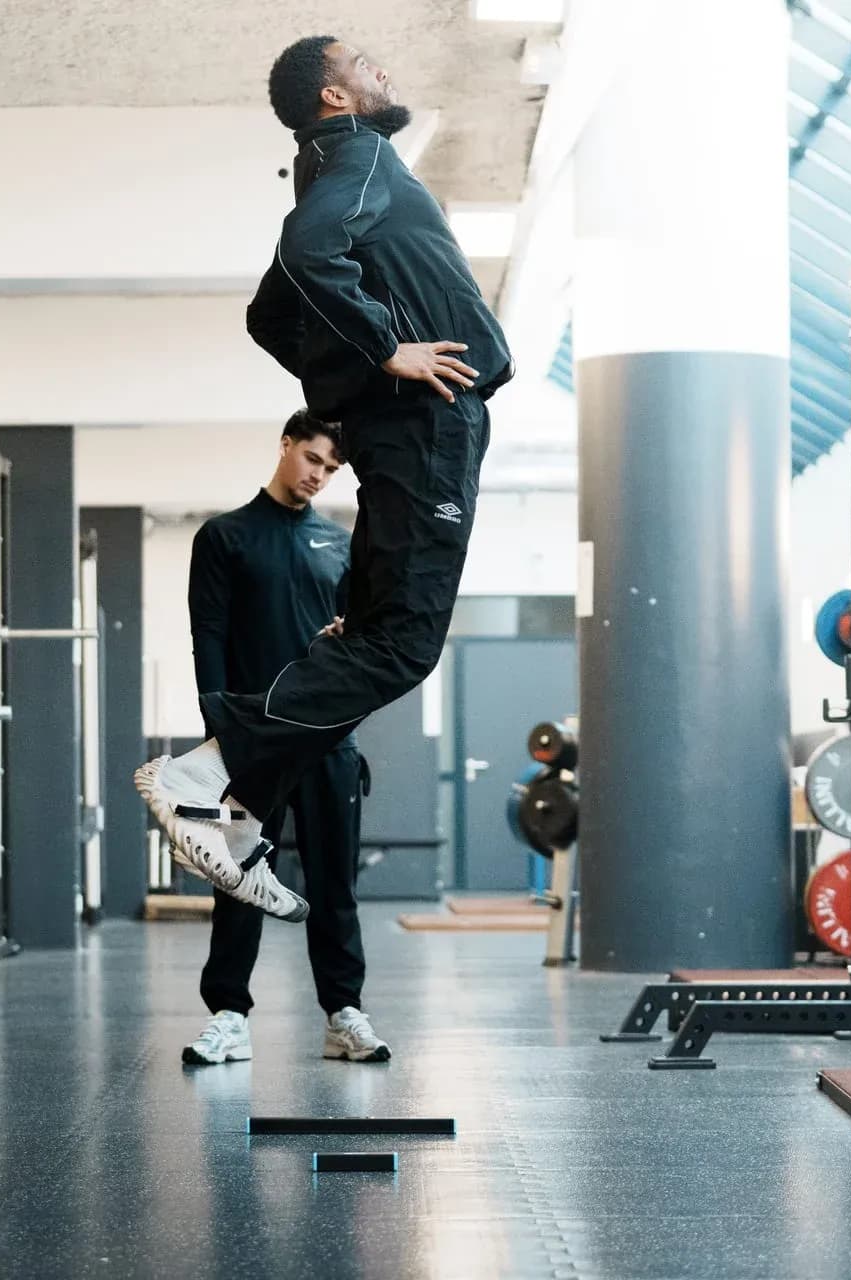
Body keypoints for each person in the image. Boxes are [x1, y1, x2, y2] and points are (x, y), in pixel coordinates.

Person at [136, 35, 513, 922]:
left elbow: (271, 315)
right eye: (365, 62)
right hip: (428, 426)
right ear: (336, 99)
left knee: (364, 636)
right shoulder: (361, 157)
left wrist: (354, 392)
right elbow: (307, 258)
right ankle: (206, 774)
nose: (383, 67)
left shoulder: (327, 170)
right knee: (402, 644)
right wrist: (386, 354)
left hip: (398, 429)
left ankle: (232, 811)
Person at [180, 412, 387, 1066]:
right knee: (236, 877)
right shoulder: (225, 537)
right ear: (286, 445)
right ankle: (229, 1015)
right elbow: (208, 636)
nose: (318, 475)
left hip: (327, 744)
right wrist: (222, 735)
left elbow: (361, 640)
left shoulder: (338, 543)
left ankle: (343, 1014)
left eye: (330, 469)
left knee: (334, 884)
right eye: (313, 458)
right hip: (254, 744)